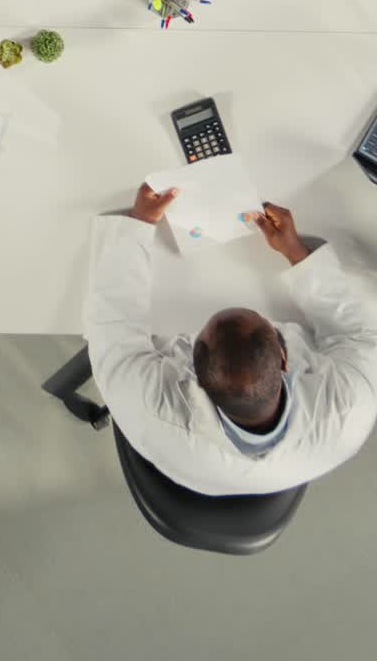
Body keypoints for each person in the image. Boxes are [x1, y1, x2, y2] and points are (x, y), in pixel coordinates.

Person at [86, 182, 377, 495]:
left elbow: (114, 317)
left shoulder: (147, 405)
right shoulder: (352, 407)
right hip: (279, 469)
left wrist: (140, 222)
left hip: (191, 466)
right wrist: (295, 251)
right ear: (283, 357)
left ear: (192, 369)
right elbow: (357, 333)